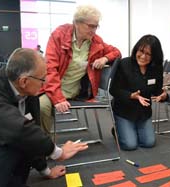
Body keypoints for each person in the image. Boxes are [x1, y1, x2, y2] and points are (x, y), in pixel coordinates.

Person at [0, 48, 88, 187]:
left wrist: (46, 171)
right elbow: (17, 131)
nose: (45, 83)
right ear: (24, 81)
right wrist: (57, 152)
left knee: (24, 140)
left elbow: (30, 132)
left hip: (1, 164)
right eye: (42, 78)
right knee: (8, 143)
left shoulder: (28, 91)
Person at [38, 5, 121, 134]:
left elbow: (116, 52)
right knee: (41, 106)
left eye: (96, 26)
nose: (94, 30)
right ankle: (45, 146)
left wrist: (104, 58)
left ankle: (44, 146)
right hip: (54, 89)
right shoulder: (59, 35)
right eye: (90, 26)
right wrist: (58, 98)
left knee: (40, 106)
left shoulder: (96, 41)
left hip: (79, 92)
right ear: (77, 23)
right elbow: (50, 69)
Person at [109, 34, 167, 150]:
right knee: (130, 145)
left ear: (154, 56)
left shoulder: (157, 68)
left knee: (148, 143)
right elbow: (113, 90)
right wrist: (131, 95)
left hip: (143, 112)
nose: (143, 56)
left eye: (148, 54)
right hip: (124, 110)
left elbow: (156, 90)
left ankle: (131, 128)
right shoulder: (124, 64)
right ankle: (117, 129)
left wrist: (162, 95)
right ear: (136, 49)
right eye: (141, 51)